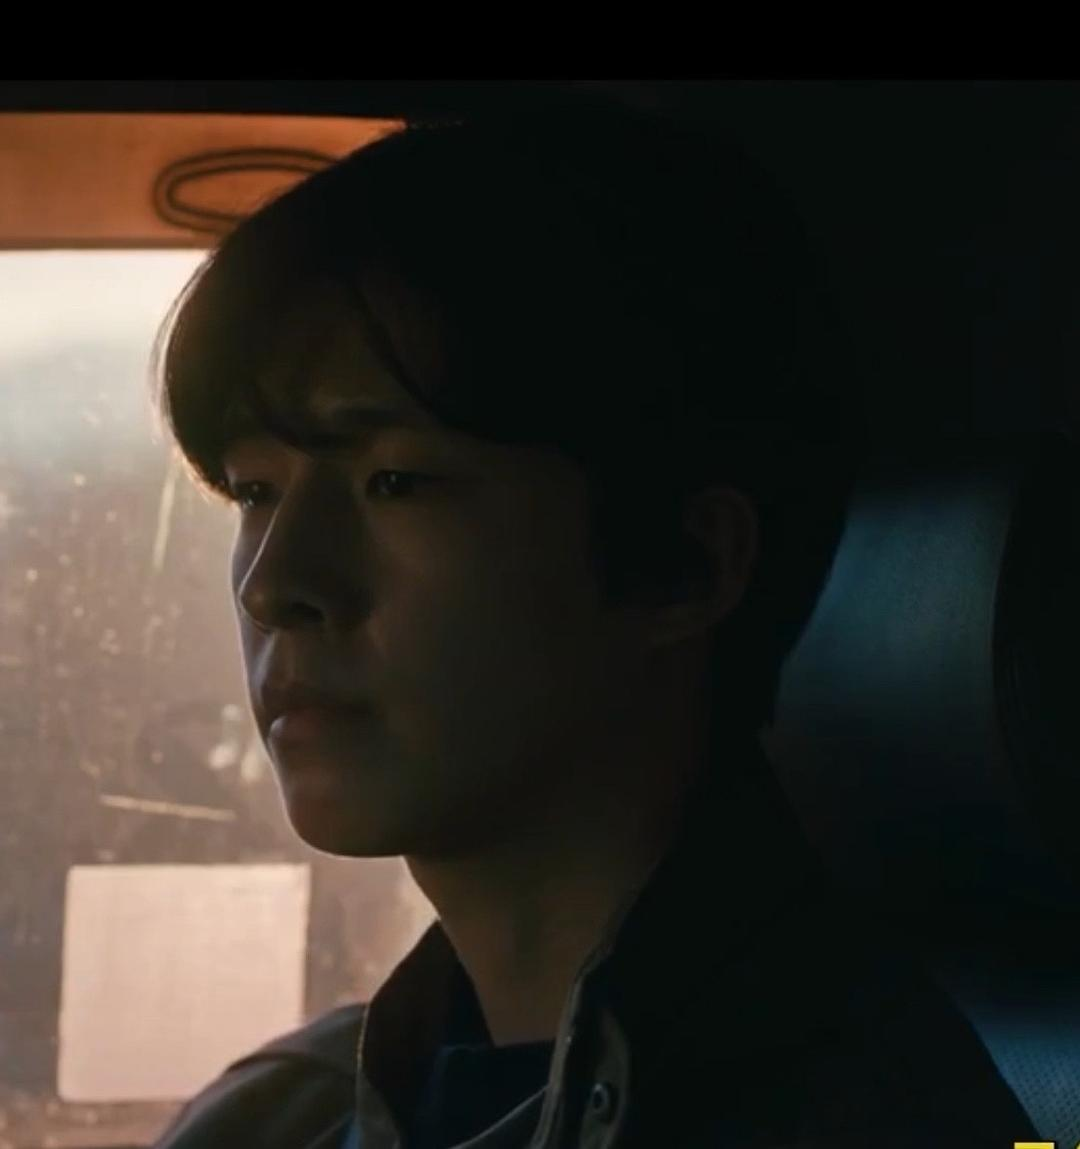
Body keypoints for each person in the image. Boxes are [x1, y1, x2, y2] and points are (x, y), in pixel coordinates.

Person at [150, 100, 1037, 1148]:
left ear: (684, 565)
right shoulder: (281, 1112)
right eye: (255, 491)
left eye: (396, 480)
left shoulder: (878, 1112)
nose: (275, 584)